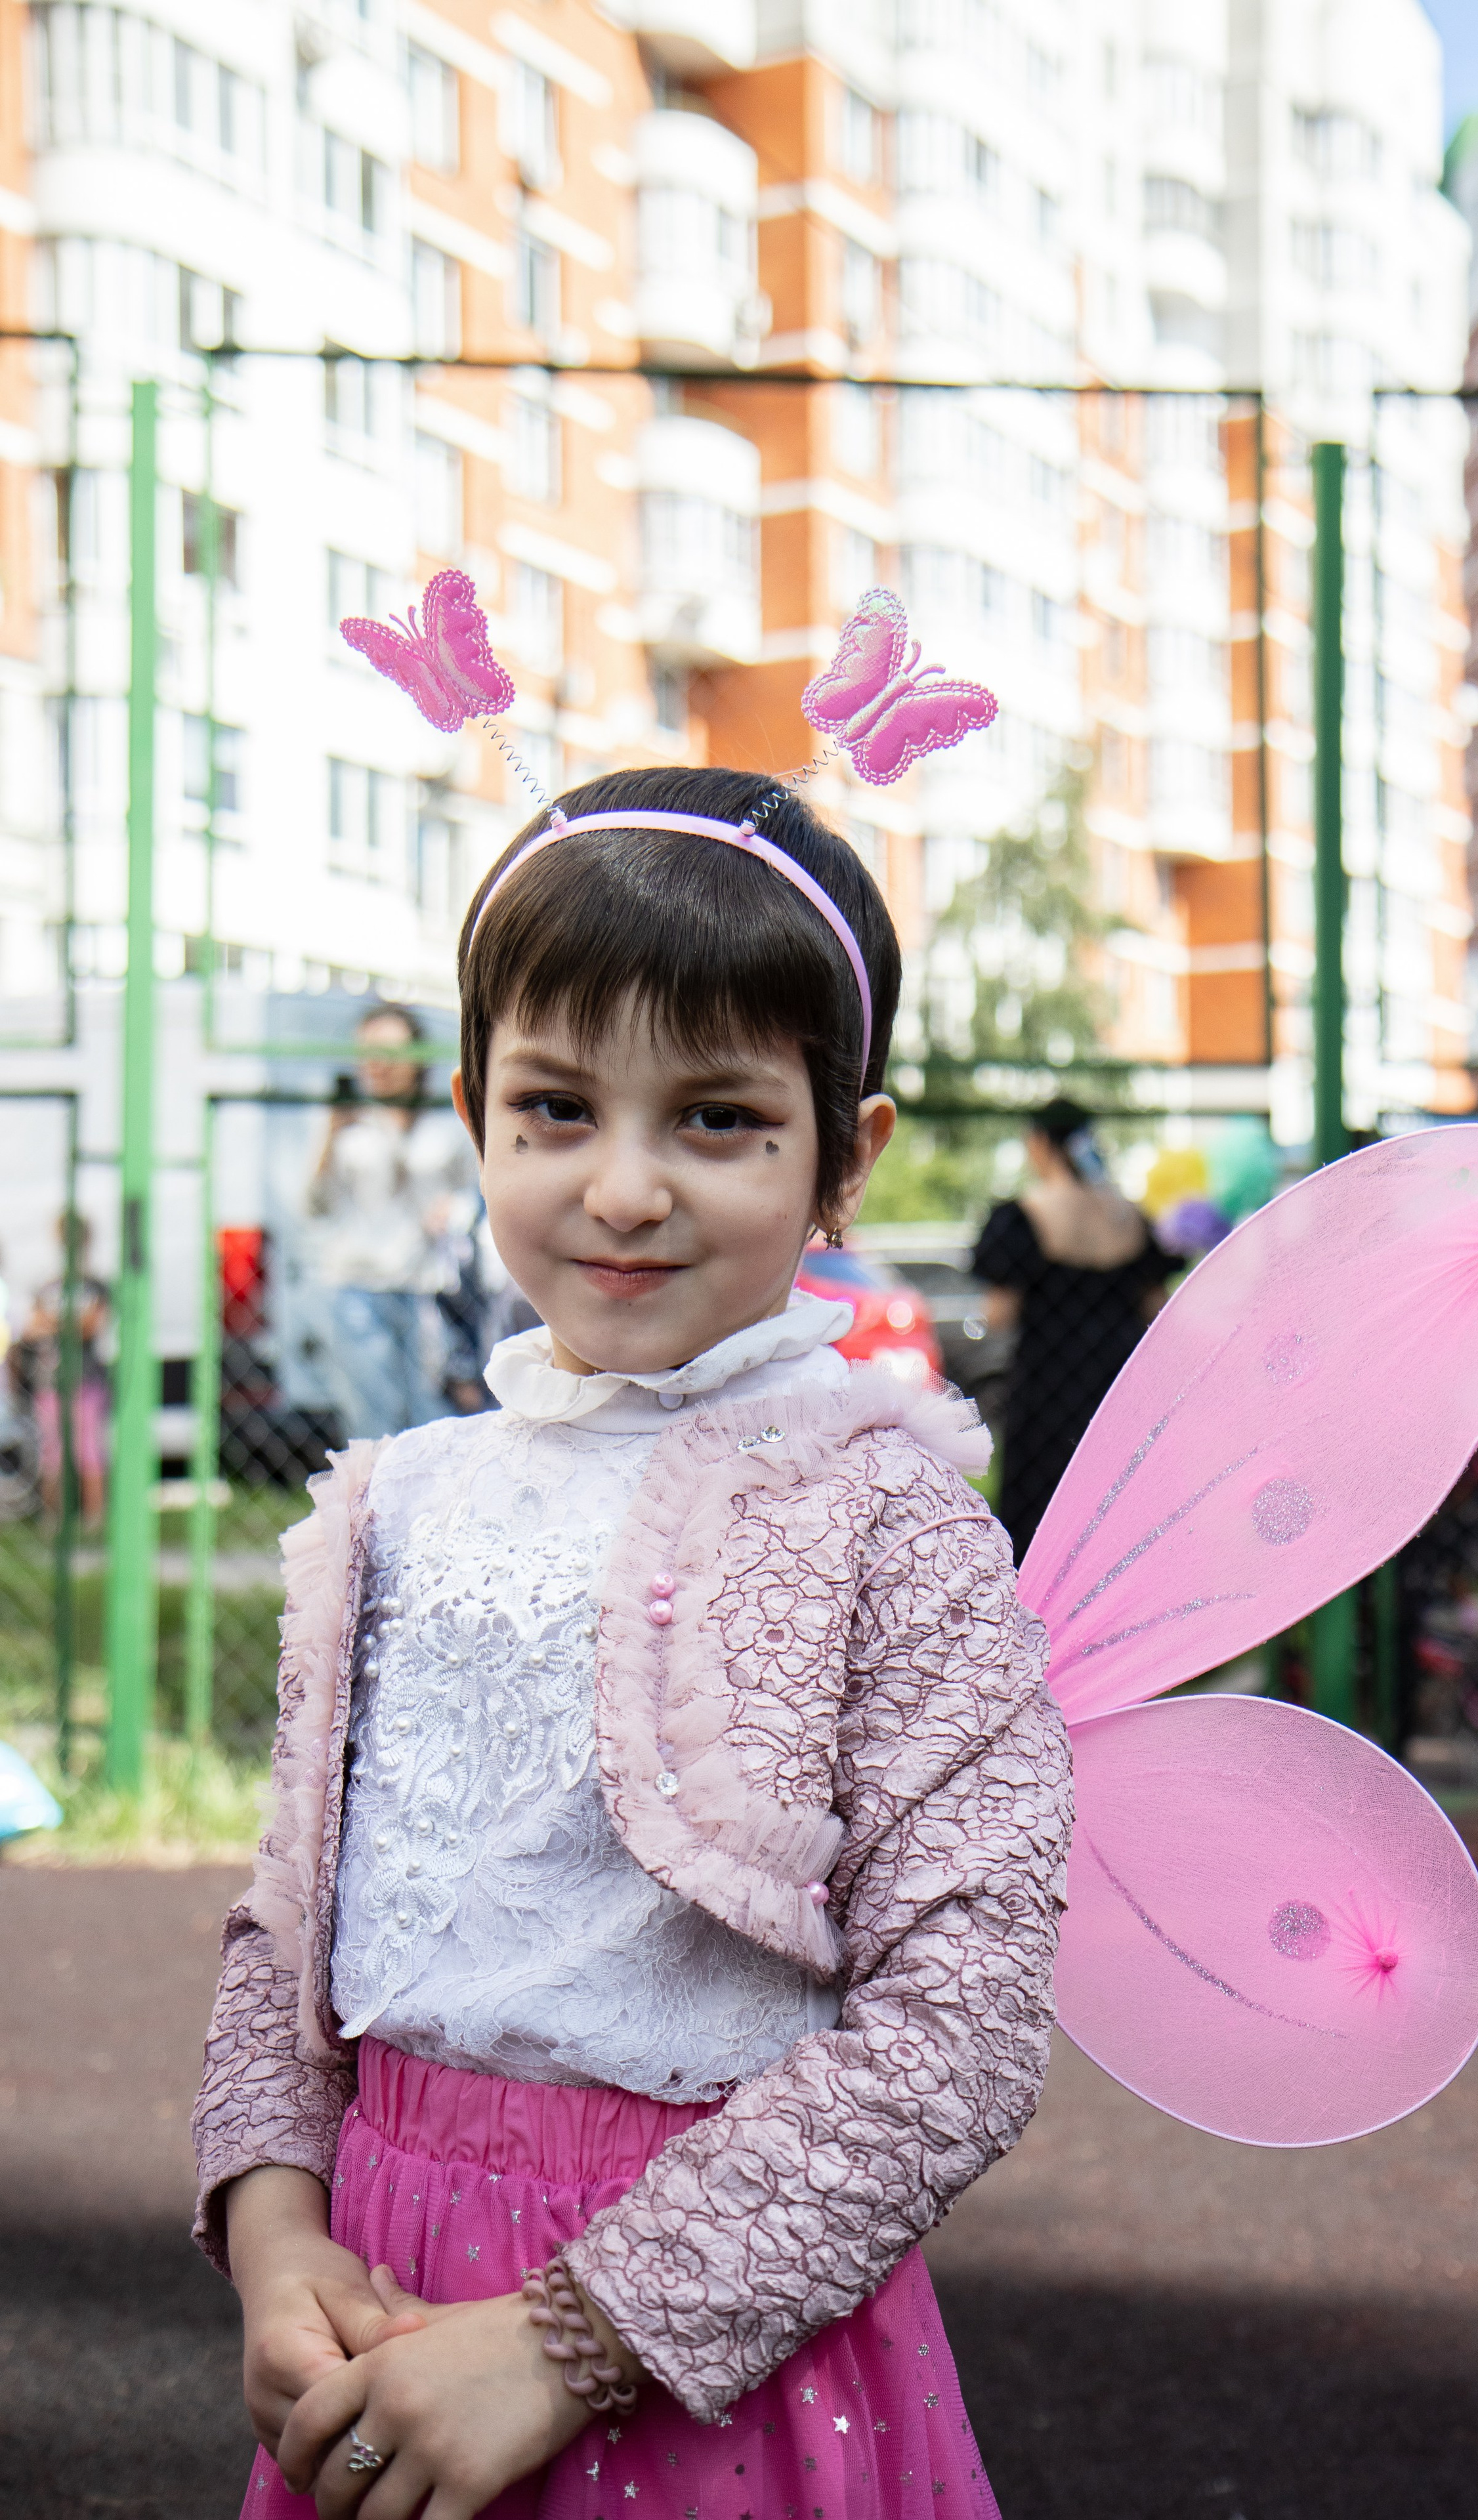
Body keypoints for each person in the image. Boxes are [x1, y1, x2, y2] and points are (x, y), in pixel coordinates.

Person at [192, 766, 1070, 2520]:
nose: (625, 1187)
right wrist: (276, 2226)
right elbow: (286, 1932)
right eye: (558, 1107)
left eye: (720, 1119)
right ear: (473, 1113)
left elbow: (956, 2034)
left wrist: (565, 2342)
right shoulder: (389, 1501)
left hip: (712, 2360)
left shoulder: (892, 1518)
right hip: (382, 2311)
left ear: (849, 1154)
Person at [972, 1097, 1172, 1561]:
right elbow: (1156, 1308)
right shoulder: (1128, 1217)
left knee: (1043, 1514)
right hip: (1116, 1389)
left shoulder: (1028, 1214)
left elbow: (998, 1313)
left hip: (1048, 1387)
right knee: (1113, 1512)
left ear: (1041, 1143)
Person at [308, 1005, 482, 1439]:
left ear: (417, 1056)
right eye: (366, 1052)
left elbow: (477, 1192)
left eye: (389, 1050)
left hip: (428, 1288)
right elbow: (314, 1204)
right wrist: (331, 1134)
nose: (377, 1063)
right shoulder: (348, 1122)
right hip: (358, 1286)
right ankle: (375, 1508)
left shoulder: (447, 1116)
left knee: (434, 1417)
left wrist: (454, 1211)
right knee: (373, 1424)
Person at [20, 1213, 112, 1530]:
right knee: (53, 1454)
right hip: (52, 1379)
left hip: (86, 1378)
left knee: (89, 1452)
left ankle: (94, 1520)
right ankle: (54, 1520)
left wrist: (55, 1323)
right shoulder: (49, 1284)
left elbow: (91, 1325)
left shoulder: (95, 1285)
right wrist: (69, 1324)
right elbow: (32, 1327)